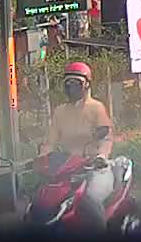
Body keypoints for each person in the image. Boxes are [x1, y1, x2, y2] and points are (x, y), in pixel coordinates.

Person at [40, 62, 125, 227]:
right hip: (66, 169)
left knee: (90, 200)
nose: (71, 88)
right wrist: (42, 158)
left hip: (95, 168)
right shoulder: (60, 111)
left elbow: (106, 137)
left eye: (76, 83)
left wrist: (101, 156)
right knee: (42, 200)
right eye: (68, 84)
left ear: (87, 85)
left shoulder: (96, 108)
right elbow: (50, 141)